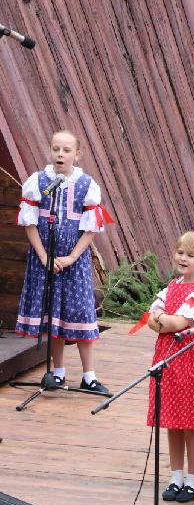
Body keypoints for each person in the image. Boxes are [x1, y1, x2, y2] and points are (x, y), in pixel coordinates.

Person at [16, 129, 113, 394]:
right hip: (44, 258)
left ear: (77, 154)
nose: (60, 154)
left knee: (81, 311)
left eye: (66, 150)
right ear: (50, 151)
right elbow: (30, 222)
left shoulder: (86, 185)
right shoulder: (39, 182)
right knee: (53, 313)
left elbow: (91, 227)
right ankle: (57, 372)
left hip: (75, 259)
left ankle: (89, 375)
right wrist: (44, 256)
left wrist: (71, 257)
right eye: (56, 149)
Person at [146, 232, 194, 504]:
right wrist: (164, 320)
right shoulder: (172, 286)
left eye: (190, 255)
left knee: (191, 424)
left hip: (191, 361)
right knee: (172, 423)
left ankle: (192, 479)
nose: (183, 258)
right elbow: (153, 319)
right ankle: (175, 475)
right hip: (167, 360)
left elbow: (177, 324)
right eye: (180, 253)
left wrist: (162, 320)